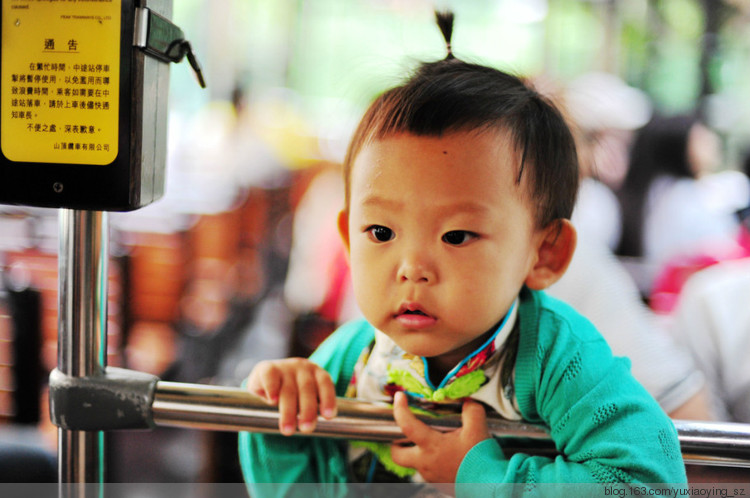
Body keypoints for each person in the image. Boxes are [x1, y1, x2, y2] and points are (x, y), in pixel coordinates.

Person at [239, 11, 686, 494]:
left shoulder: (558, 359)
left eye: (455, 237)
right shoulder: (352, 356)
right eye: (382, 232)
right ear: (349, 239)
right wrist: (276, 416)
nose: (412, 268)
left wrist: (482, 479)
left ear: (545, 254)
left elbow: (651, 482)